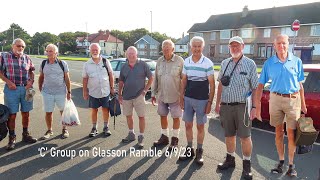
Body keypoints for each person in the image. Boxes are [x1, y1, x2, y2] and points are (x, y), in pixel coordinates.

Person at [256, 34, 307, 177]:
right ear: (274, 46)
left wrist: (303, 104)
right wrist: (257, 107)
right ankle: (280, 161)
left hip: (293, 100)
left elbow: (300, 85)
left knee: (291, 134)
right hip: (276, 99)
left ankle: (291, 165)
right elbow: (260, 85)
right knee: (279, 132)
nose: (281, 46)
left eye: (284, 43)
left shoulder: (297, 61)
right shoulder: (269, 63)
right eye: (278, 43)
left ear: (288, 44)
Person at [215, 36, 258, 180]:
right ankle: (230, 159)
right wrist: (217, 103)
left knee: (245, 137)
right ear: (229, 47)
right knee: (229, 135)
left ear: (243, 46)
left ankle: (246, 165)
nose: (234, 48)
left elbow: (256, 87)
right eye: (232, 46)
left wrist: (254, 107)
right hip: (226, 106)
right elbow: (220, 84)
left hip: (243, 107)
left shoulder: (250, 64)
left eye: (237, 46)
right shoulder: (224, 63)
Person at [178, 36, 215, 165]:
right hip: (188, 99)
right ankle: (189, 150)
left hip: (202, 100)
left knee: (200, 126)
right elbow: (184, 81)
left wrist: (210, 102)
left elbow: (212, 84)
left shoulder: (208, 63)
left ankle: (199, 151)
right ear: (191, 47)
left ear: (202, 47)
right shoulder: (186, 62)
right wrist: (181, 97)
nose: (197, 48)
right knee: (188, 125)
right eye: (194, 46)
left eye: (199, 46)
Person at [0, 38, 37, 150]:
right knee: (12, 114)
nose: (20, 48)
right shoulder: (4, 56)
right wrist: (8, 82)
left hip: (26, 89)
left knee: (26, 113)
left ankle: (25, 135)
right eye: (18, 46)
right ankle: (12, 137)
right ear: (13, 46)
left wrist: (31, 82)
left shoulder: (27, 58)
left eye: (22, 46)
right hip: (12, 89)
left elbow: (31, 71)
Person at [151, 39, 184, 151]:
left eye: (168, 47)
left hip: (176, 96)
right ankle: (164, 137)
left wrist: (183, 96)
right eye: (164, 47)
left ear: (173, 49)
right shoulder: (159, 61)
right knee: (163, 115)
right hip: (162, 95)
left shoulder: (180, 61)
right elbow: (155, 78)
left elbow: (184, 79)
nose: (166, 49)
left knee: (176, 117)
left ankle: (175, 139)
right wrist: (153, 93)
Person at [118, 46, 153, 149]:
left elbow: (151, 78)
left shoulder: (143, 64)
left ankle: (141, 137)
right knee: (128, 116)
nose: (131, 55)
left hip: (139, 96)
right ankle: (131, 134)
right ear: (126, 55)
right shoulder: (124, 66)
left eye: (133, 54)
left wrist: (145, 90)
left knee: (141, 116)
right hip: (126, 96)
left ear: (136, 54)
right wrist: (119, 94)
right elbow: (121, 81)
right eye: (129, 54)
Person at [38, 44, 71, 139]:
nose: (48, 53)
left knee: (62, 111)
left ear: (56, 53)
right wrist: (40, 86)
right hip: (47, 92)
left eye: (50, 51)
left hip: (61, 92)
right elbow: (41, 76)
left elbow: (67, 78)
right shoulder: (43, 63)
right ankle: (49, 130)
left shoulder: (62, 63)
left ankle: (64, 129)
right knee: (48, 112)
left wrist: (69, 91)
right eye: (47, 51)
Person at [82, 43, 115, 137]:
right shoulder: (87, 64)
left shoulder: (105, 61)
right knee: (94, 110)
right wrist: (85, 91)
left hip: (105, 91)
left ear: (99, 51)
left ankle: (106, 127)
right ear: (90, 51)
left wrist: (112, 88)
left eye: (96, 49)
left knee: (105, 109)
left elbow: (111, 74)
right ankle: (94, 128)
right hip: (93, 92)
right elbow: (85, 78)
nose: (95, 51)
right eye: (93, 50)